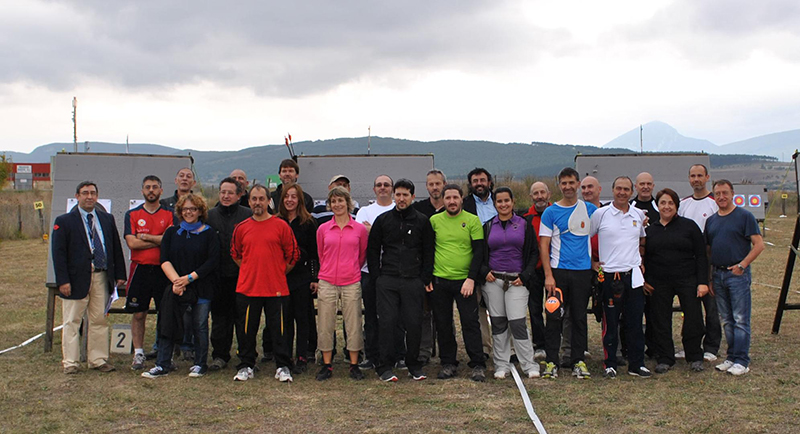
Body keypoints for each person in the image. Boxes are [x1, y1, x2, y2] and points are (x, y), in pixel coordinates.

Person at [52, 181, 127, 374]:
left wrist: (119, 274)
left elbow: (115, 247)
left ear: (97, 196)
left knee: (98, 320)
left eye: (93, 193)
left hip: (101, 277)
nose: (89, 197)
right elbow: (58, 254)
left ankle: (98, 359)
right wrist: (63, 281)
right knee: (72, 321)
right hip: (75, 279)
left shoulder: (106, 219)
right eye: (85, 193)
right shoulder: (65, 221)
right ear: (77, 196)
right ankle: (70, 362)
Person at [142, 194, 219, 378]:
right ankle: (162, 364)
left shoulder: (209, 233)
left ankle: (200, 363)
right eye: (185, 209)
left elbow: (212, 260)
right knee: (168, 323)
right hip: (176, 287)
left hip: (201, 286)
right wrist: (177, 281)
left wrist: (189, 279)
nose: (189, 212)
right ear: (180, 211)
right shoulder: (171, 233)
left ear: (200, 211)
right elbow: (164, 259)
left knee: (199, 326)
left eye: (193, 209)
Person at [230, 184, 300, 382]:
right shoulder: (241, 228)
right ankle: (246, 365)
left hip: (276, 289)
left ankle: (283, 366)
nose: (257, 202)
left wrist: (276, 271)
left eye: (261, 198)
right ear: (249, 201)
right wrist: (251, 269)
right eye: (254, 199)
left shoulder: (281, 226)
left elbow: (293, 255)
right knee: (246, 331)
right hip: (248, 289)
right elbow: (235, 254)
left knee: (280, 331)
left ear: (269, 201)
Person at [367, 179, 434, 382]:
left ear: (413, 197)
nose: (401, 198)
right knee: (387, 322)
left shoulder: (422, 221)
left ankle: (413, 365)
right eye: (398, 194)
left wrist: (424, 277)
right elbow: (372, 250)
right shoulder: (383, 220)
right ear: (394, 196)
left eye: (406, 195)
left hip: (413, 280)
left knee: (413, 323)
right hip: (387, 280)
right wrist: (377, 277)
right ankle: (385, 366)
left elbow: (428, 251)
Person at [590, 176, 650, 379]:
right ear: (612, 190)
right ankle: (610, 364)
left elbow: (641, 237)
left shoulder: (638, 214)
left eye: (626, 189)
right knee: (611, 323)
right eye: (619, 188)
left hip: (632, 276)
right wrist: (593, 262)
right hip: (609, 276)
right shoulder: (601, 214)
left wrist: (640, 260)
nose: (622, 192)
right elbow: (586, 239)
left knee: (634, 322)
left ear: (631, 192)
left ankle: (637, 364)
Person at [540, 168, 597, 379]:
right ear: (559, 184)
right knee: (554, 317)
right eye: (563, 183)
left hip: (582, 273)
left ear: (578, 184)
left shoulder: (590, 209)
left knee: (579, 318)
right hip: (558, 273)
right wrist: (548, 275)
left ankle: (578, 361)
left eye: (571, 182)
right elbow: (544, 246)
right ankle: (552, 361)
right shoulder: (551, 212)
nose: (567, 187)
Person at [644, 188, 708, 374]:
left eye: (670, 203)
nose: (666, 206)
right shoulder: (650, 230)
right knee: (660, 320)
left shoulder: (689, 226)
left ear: (676, 206)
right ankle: (665, 357)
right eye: (663, 203)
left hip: (687, 279)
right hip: (659, 281)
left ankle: (695, 355)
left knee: (694, 318)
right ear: (658, 205)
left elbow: (701, 256)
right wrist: (645, 280)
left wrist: (702, 281)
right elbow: (644, 258)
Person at [480, 187, 540, 379]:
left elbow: (533, 253)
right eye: (499, 201)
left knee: (517, 323)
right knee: (498, 323)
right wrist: (484, 272)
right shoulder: (488, 226)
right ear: (495, 204)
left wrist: (526, 275)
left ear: (513, 202)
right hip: (493, 281)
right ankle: (501, 364)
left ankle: (529, 364)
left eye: (507, 200)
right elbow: (479, 254)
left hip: (517, 281)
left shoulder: (524, 224)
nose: (503, 204)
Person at [429, 184, 488, 382]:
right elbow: (428, 251)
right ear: (443, 200)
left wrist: (471, 279)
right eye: (448, 198)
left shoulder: (472, 220)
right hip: (440, 281)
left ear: (462, 199)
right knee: (443, 324)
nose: (452, 201)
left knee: (470, 323)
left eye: (455, 197)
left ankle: (478, 363)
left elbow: (479, 251)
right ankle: (448, 362)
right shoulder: (434, 220)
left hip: (465, 281)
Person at [706, 180, 764, 376]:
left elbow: (758, 245)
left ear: (732, 194)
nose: (721, 197)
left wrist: (742, 265)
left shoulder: (745, 216)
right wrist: (710, 278)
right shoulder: (712, 221)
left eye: (725, 193)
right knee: (727, 320)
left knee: (740, 319)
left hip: (737, 275)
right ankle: (731, 357)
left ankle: (742, 360)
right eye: (717, 194)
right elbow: (709, 250)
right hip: (718, 274)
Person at [315, 187, 368, 381]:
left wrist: (351, 268)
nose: (337, 205)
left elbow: (361, 255)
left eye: (341, 201)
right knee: (325, 323)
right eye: (333, 201)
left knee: (353, 323)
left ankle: (354, 364)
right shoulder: (323, 229)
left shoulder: (360, 229)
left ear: (348, 202)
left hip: (351, 281)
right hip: (327, 280)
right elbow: (322, 253)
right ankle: (327, 364)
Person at [124, 175, 175, 370]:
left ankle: (164, 353)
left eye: (155, 187)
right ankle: (138, 353)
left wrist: (145, 236)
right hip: (140, 269)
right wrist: (157, 239)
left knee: (166, 314)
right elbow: (132, 243)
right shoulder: (132, 214)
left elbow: (169, 241)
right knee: (139, 314)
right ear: (142, 191)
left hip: (164, 269)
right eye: (147, 187)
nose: (151, 190)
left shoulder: (170, 214)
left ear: (161, 191)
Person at [206, 177, 252, 371]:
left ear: (239, 195)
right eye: (223, 192)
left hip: (242, 277)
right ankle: (220, 356)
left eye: (230, 192)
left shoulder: (248, 216)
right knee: (219, 319)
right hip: (217, 277)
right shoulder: (209, 216)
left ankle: (246, 357)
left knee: (244, 320)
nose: (226, 196)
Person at [677, 164, 721, 362]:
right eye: (693, 176)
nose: (696, 179)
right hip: (687, 265)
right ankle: (691, 344)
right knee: (690, 308)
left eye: (700, 176)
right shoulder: (684, 204)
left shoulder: (714, 202)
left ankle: (711, 346)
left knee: (711, 307)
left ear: (707, 177)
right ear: (688, 178)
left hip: (709, 261)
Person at [356, 175, 396, 370]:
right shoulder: (365, 211)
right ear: (374, 189)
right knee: (371, 316)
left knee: (393, 316)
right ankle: (371, 356)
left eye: (386, 185)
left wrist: (375, 230)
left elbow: (396, 237)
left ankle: (396, 355)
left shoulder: (399, 209)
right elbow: (362, 236)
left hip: (393, 271)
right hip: (368, 271)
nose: (382, 188)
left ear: (392, 189)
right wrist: (386, 232)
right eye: (379, 185)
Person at [277, 184, 318, 374]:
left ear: (299, 200)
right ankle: (285, 357)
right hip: (281, 277)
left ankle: (302, 356)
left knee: (302, 319)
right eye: (287, 196)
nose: (290, 200)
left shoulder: (308, 223)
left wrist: (314, 278)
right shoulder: (276, 222)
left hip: (302, 278)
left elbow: (314, 254)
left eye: (294, 196)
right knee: (284, 319)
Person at [158, 167, 198, 361]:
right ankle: (163, 346)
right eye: (181, 175)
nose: (184, 179)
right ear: (175, 180)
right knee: (165, 310)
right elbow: (163, 237)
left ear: (194, 183)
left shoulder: (198, 205)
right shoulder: (164, 204)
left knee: (189, 312)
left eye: (189, 176)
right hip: (169, 270)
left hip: (190, 272)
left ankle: (187, 344)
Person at [411, 169, 447, 366]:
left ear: (444, 184)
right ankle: (424, 351)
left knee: (444, 314)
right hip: (424, 269)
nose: (435, 187)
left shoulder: (452, 206)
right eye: (431, 184)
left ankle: (446, 352)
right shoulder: (419, 209)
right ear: (426, 186)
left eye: (438, 184)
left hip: (445, 269)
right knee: (424, 313)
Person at [460, 167, 495, 357]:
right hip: (473, 264)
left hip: (498, 263)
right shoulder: (464, 205)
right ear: (471, 184)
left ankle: (508, 349)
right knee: (478, 311)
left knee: (500, 310)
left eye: (482, 180)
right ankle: (484, 349)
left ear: (489, 182)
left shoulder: (500, 202)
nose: (479, 184)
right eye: (475, 181)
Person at [523, 181, 551, 360]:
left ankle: (554, 341)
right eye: (536, 193)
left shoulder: (556, 214)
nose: (539, 196)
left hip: (553, 271)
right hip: (533, 271)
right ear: (531, 197)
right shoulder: (526, 219)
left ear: (549, 194)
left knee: (554, 309)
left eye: (542, 192)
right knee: (534, 309)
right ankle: (539, 344)